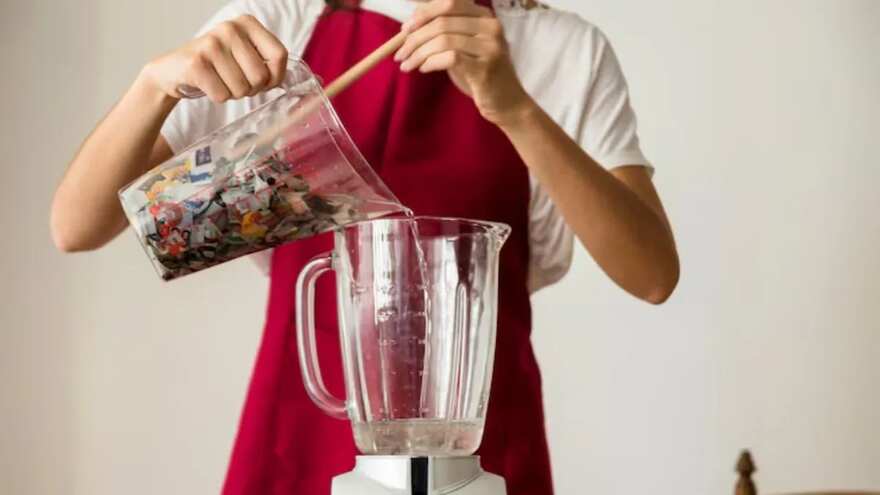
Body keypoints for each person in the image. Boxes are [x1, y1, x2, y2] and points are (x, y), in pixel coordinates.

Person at [51, 0, 680, 493]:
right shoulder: (278, 27)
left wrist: (515, 109)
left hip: (478, 453)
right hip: (299, 436)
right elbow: (77, 226)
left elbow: (652, 273)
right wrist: (153, 86)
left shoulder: (564, 50)